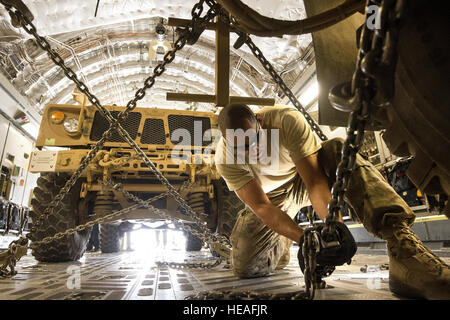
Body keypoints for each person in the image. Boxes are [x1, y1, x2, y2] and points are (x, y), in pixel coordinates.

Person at [214, 104, 450, 299]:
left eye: (253, 141)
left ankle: (403, 247)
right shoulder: (224, 158)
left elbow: (315, 181)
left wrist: (334, 228)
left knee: (338, 150)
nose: (249, 151)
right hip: (271, 199)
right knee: (246, 268)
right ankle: (279, 243)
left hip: (302, 179)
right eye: (239, 147)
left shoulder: (285, 120)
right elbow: (262, 206)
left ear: (259, 121)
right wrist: (304, 238)